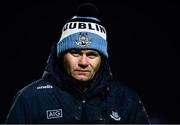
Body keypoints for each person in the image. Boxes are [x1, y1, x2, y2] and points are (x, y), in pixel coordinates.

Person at [5, 2, 150, 124]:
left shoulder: (126, 100)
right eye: (75, 53)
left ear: (102, 58)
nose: (83, 62)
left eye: (92, 54)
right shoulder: (30, 99)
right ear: (61, 54)